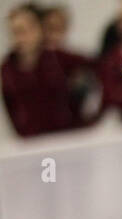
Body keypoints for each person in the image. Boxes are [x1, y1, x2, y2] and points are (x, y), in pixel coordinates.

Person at [2, 3, 83, 136]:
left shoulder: (59, 58)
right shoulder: (7, 69)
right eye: (15, 32)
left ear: (39, 29)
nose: (21, 38)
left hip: (65, 136)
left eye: (24, 31)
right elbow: (11, 106)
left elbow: (97, 69)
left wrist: (85, 121)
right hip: (31, 141)